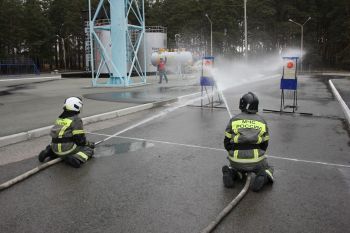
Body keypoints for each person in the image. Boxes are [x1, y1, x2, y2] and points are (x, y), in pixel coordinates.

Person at [222, 92, 274, 192]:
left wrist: (232, 153)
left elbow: (226, 142)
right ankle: (263, 176)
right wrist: (259, 155)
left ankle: (231, 172)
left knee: (235, 167)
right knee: (269, 167)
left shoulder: (234, 120)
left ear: (243, 104)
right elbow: (265, 144)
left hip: (236, 158)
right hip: (256, 159)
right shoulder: (262, 121)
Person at [38, 97, 95, 168]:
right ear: (77, 107)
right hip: (66, 150)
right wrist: (89, 144)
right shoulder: (76, 119)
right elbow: (80, 140)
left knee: (58, 144)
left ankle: (49, 152)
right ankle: (76, 158)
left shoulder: (60, 118)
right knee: (89, 150)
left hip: (54, 147)